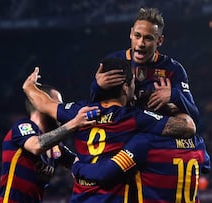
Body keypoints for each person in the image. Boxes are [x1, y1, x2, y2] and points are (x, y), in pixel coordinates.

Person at [22, 58, 196, 203]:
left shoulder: (79, 111)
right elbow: (188, 127)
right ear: (125, 88)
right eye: (133, 84)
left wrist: (29, 86)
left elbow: (43, 103)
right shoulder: (135, 117)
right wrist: (172, 98)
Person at [90, 7, 199, 123]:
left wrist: (174, 95)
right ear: (131, 34)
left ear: (159, 41)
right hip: (122, 132)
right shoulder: (114, 61)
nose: (141, 43)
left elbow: (194, 117)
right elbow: (95, 108)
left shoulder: (173, 69)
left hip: (157, 133)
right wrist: (97, 87)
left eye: (148, 38)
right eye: (137, 36)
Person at [0, 85, 98, 203]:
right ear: (40, 105)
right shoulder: (23, 126)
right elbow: (36, 146)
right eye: (57, 105)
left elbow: (79, 163)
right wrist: (73, 124)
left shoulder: (56, 147)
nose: (61, 110)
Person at [72, 131, 210, 203]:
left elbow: (106, 173)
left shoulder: (144, 142)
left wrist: (77, 166)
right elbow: (206, 166)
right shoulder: (198, 143)